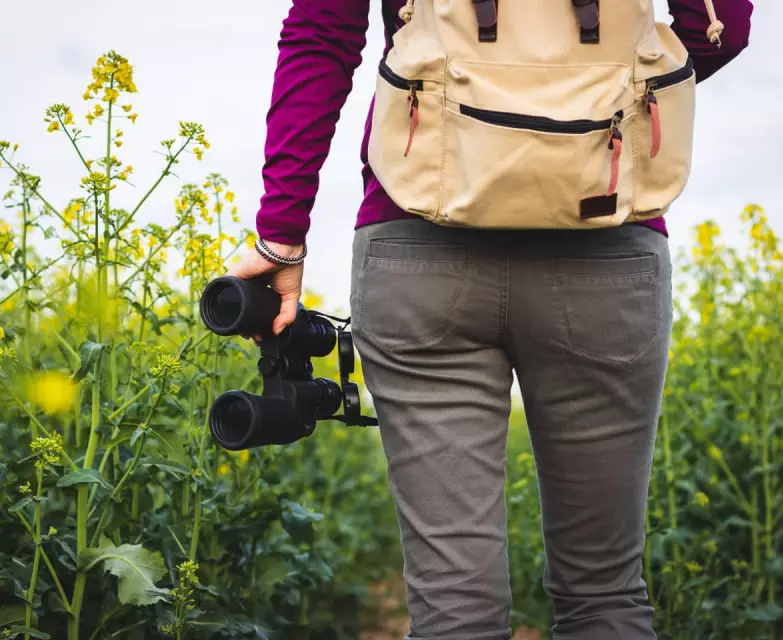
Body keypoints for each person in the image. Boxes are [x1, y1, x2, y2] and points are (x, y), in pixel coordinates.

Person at [228, 1, 753, 638]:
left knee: (454, 608)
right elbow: (718, 29)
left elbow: (324, 34)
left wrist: (282, 233)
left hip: (419, 247)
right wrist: (583, 100)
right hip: (606, 247)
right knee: (605, 596)